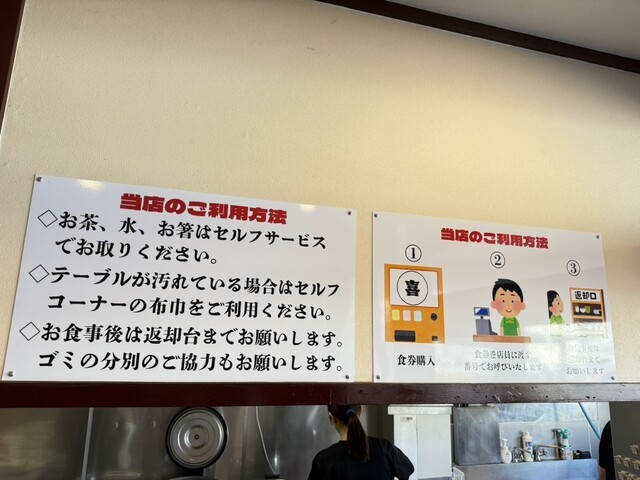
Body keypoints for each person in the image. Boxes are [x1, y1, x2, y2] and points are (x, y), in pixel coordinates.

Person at [307, 405, 415, 480]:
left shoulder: (323, 460)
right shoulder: (384, 447)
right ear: (361, 410)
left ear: (331, 417)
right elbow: (408, 469)